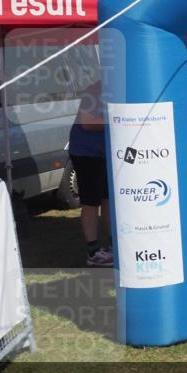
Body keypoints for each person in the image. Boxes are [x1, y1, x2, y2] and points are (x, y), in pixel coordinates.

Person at [69, 80, 112, 266]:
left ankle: (113, 245)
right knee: (91, 201)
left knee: (108, 199)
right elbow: (87, 123)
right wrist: (118, 119)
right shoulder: (94, 91)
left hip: (104, 153)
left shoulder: (118, 88)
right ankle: (93, 252)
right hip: (86, 153)